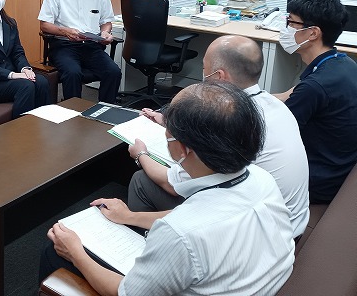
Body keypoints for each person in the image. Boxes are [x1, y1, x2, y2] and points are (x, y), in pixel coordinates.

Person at [40, 82, 295, 295]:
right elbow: (199, 214)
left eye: (167, 133)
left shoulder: (179, 234)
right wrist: (129, 216)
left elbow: (125, 293)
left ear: (183, 149)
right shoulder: (261, 179)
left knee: (54, 252)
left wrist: (75, 252)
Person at [127, 35, 309, 237]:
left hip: (259, 233)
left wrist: (140, 154)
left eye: (204, 69)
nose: (203, 76)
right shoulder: (274, 105)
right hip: (288, 221)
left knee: (141, 180)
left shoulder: (232, 124)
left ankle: (141, 244)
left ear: (220, 76)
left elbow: (172, 184)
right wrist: (172, 122)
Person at [274, 0, 357, 203]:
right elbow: (289, 95)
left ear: (312, 33)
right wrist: (251, 97)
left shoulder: (315, 87)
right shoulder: (341, 63)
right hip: (340, 168)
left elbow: (274, 134)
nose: (286, 29)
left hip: (318, 181)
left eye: (291, 23)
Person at [38, 0, 121, 103]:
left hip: (92, 46)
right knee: (73, 73)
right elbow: (44, 24)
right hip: (64, 46)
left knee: (113, 72)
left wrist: (105, 32)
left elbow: (106, 21)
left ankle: (104, 110)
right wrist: (65, 31)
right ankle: (73, 113)